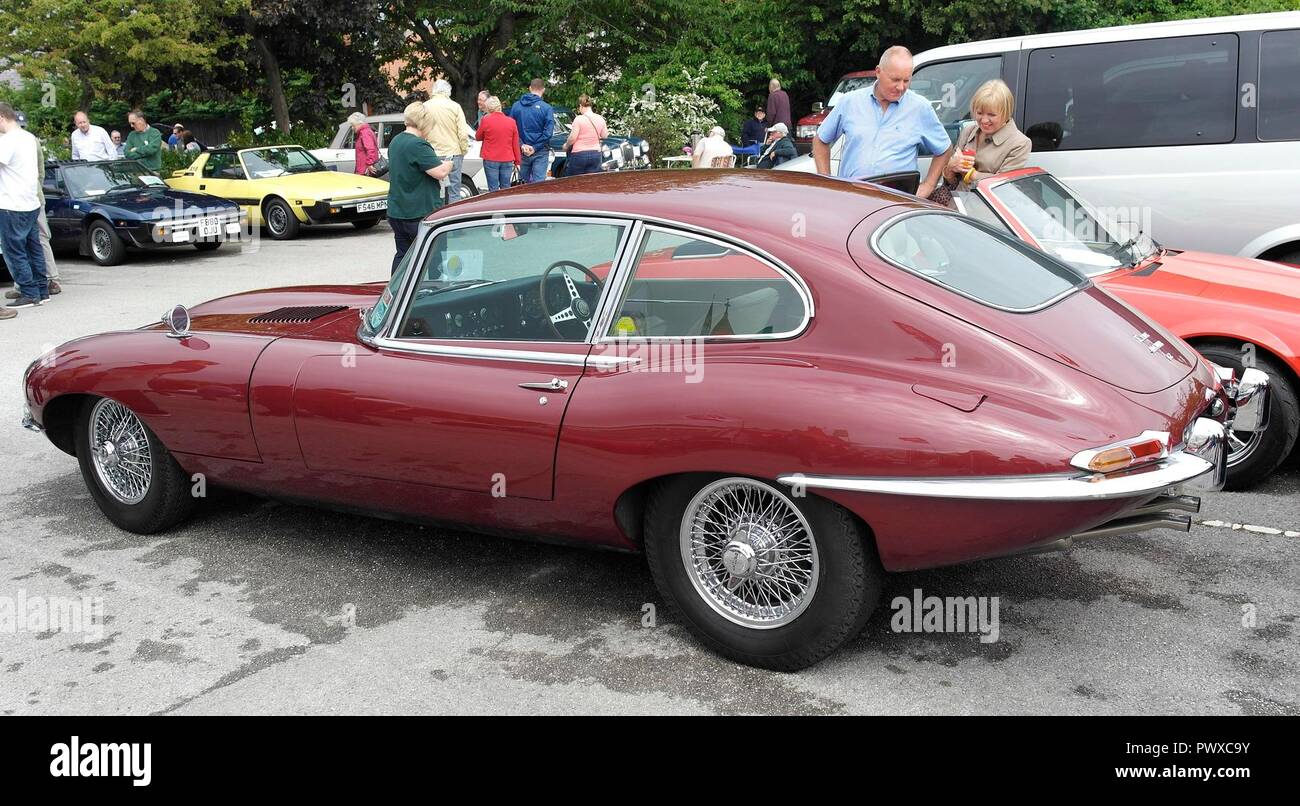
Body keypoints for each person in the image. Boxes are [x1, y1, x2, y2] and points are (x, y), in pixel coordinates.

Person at [813, 45, 951, 199]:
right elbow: (820, 140)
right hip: (852, 199)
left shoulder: (920, 108)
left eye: (906, 80)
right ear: (878, 72)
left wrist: (928, 186)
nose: (901, 87)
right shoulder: (850, 102)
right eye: (895, 80)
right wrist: (827, 183)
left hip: (897, 204)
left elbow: (944, 149)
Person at [386, 101, 451, 274]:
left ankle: (396, 292)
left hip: (397, 211)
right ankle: (431, 294)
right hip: (419, 212)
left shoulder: (396, 141)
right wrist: (449, 164)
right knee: (433, 256)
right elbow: (440, 172)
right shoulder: (418, 145)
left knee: (403, 256)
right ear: (424, 122)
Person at [0, 103, 49, 313]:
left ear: (2, 117)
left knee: (14, 250)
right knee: (33, 246)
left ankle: (29, 292)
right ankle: (41, 288)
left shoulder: (7, 141)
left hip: (12, 202)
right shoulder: (29, 138)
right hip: (31, 201)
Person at [940, 79, 1031, 191]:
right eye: (979, 113)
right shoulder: (968, 132)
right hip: (957, 203)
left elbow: (1005, 185)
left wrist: (971, 174)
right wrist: (950, 168)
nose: (984, 120)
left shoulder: (1020, 143)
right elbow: (951, 183)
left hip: (988, 206)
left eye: (991, 115)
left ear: (1007, 113)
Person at [423, 79, 471, 201]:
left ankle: (435, 216)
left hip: (432, 153)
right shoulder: (455, 107)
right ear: (448, 92)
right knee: (455, 189)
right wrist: (464, 149)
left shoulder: (425, 106)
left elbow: (421, 130)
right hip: (453, 152)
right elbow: (462, 132)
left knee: (433, 188)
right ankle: (452, 217)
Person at [509, 79, 554, 184]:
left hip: (522, 151)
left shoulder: (516, 106)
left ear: (530, 88)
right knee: (538, 186)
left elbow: (511, 129)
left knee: (521, 185)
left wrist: (521, 144)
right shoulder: (546, 108)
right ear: (543, 90)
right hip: (540, 150)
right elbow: (548, 133)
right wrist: (534, 147)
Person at [474, 95, 520, 192]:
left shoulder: (486, 120)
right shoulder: (511, 122)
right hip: (507, 158)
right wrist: (517, 160)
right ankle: (505, 206)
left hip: (491, 158)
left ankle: (494, 206)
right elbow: (515, 143)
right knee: (506, 187)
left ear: (489, 107)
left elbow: (478, 137)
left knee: (493, 189)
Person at [562, 94, 608, 177]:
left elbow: (572, 138)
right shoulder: (600, 118)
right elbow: (605, 135)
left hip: (579, 154)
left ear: (581, 106)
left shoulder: (579, 119)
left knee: (574, 180)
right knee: (592, 181)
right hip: (596, 154)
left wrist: (566, 145)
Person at [348, 111, 379, 176]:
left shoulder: (364, 133)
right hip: (364, 169)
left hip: (364, 170)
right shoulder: (366, 131)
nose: (352, 128)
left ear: (359, 123)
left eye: (353, 125)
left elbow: (370, 149)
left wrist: (369, 164)